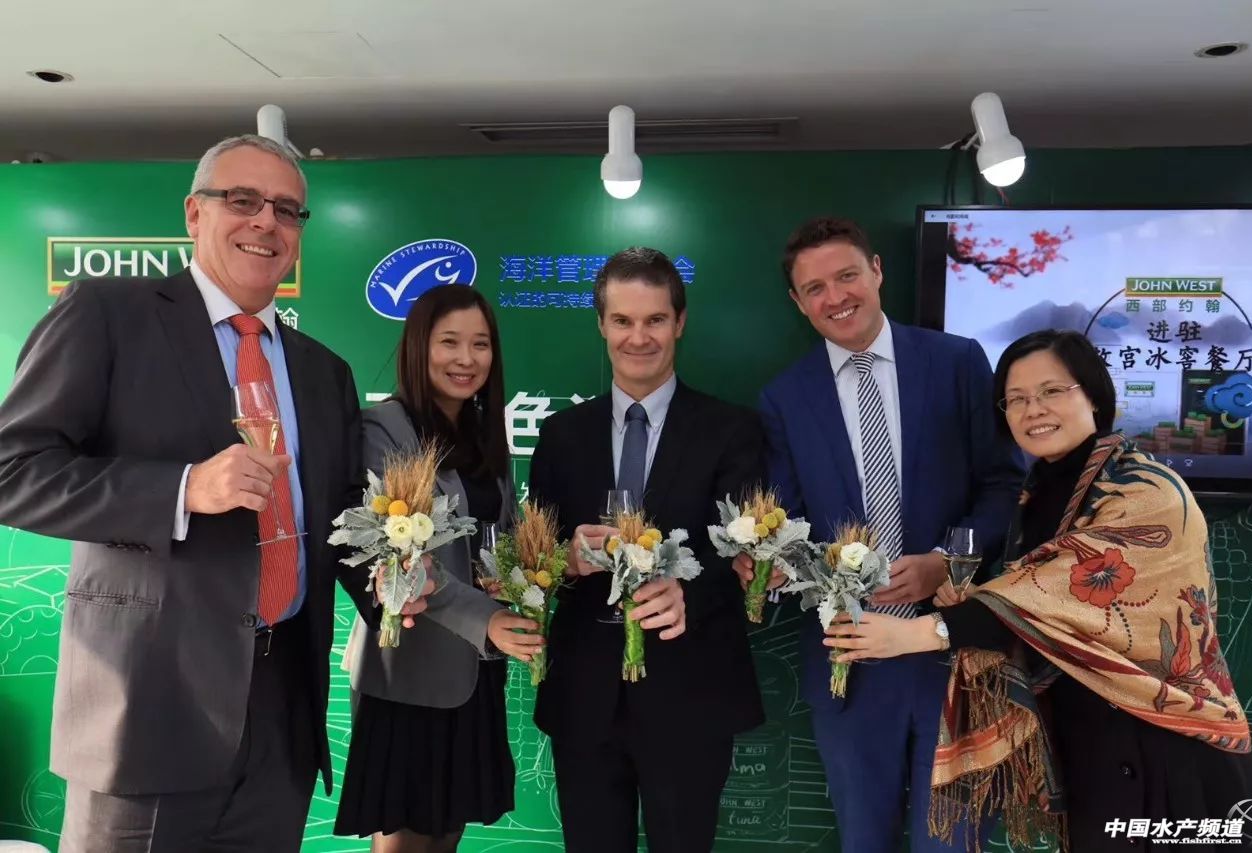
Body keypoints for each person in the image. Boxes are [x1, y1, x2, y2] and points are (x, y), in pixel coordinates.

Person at [0, 134, 411, 851]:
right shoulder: (110, 313)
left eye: (287, 209)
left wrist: (392, 576)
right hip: (146, 707)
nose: (266, 222)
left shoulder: (324, 371)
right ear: (195, 213)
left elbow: (339, 516)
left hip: (282, 712)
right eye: (242, 200)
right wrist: (184, 489)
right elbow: (14, 470)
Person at [834, 330, 1252, 852]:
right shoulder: (1038, 494)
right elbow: (1033, 602)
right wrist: (971, 599)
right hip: (1088, 749)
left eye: (1051, 391)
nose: (1033, 409)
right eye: (1016, 399)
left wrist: (918, 633)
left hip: (1168, 747)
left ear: (1094, 396)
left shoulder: (1147, 490)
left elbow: (1056, 594)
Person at [737, 217, 1024, 853]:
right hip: (851, 654)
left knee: (953, 840)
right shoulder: (785, 397)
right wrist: (771, 566)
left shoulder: (956, 362)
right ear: (797, 302)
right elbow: (788, 521)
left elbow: (1004, 482)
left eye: (847, 276)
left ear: (876, 271)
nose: (835, 297)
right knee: (863, 839)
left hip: (955, 647)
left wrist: (948, 560)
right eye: (814, 288)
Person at [528, 247, 765, 853]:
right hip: (584, 697)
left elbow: (746, 554)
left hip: (692, 692)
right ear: (601, 325)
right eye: (623, 321)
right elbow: (535, 558)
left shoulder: (732, 430)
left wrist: (689, 592)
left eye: (655, 319)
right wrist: (563, 562)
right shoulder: (560, 434)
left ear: (679, 322)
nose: (639, 337)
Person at [335, 285, 539, 852]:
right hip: (408, 673)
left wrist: (537, 569)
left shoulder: (483, 434)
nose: (466, 358)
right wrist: (485, 619)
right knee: (405, 839)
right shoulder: (384, 429)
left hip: (475, 671)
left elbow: (502, 537)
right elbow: (398, 556)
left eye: (480, 344)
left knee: (447, 832)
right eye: (449, 342)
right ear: (418, 347)